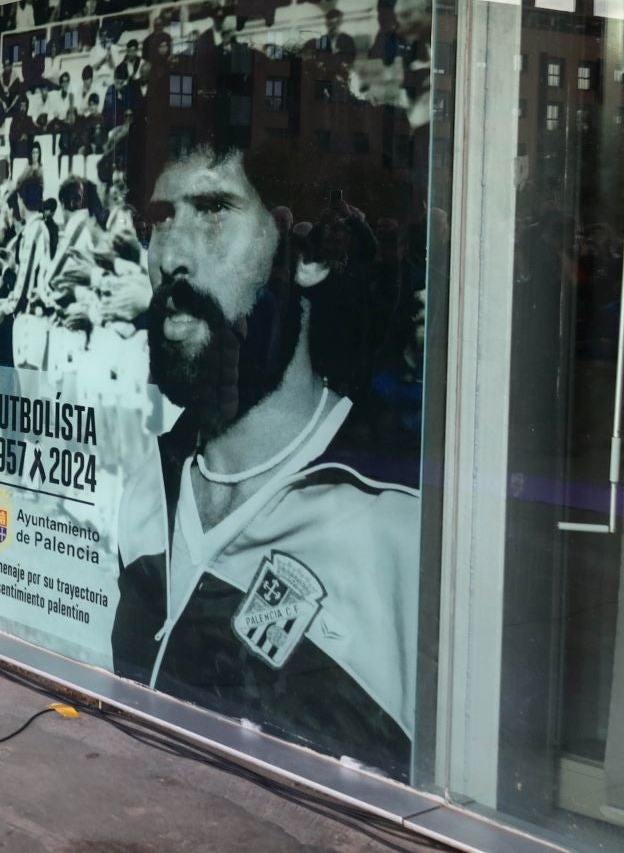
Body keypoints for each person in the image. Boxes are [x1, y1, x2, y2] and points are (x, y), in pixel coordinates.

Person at [111, 137, 419, 779]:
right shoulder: (149, 489)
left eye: (214, 211)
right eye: (158, 222)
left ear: (306, 255)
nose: (171, 256)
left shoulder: (398, 521)